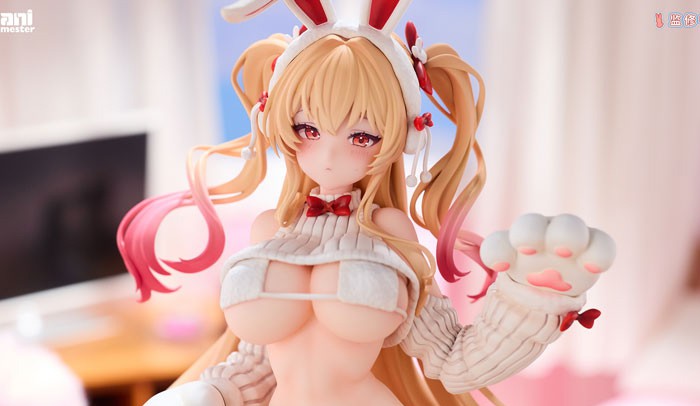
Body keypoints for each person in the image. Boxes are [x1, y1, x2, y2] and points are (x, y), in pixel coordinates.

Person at [117, 1, 616, 405]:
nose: (329, 156)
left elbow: (452, 359)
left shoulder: (390, 230)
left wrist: (531, 299)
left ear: (402, 138)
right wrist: (211, 393)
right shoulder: (270, 228)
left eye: (361, 136)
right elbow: (259, 359)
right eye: (307, 128)